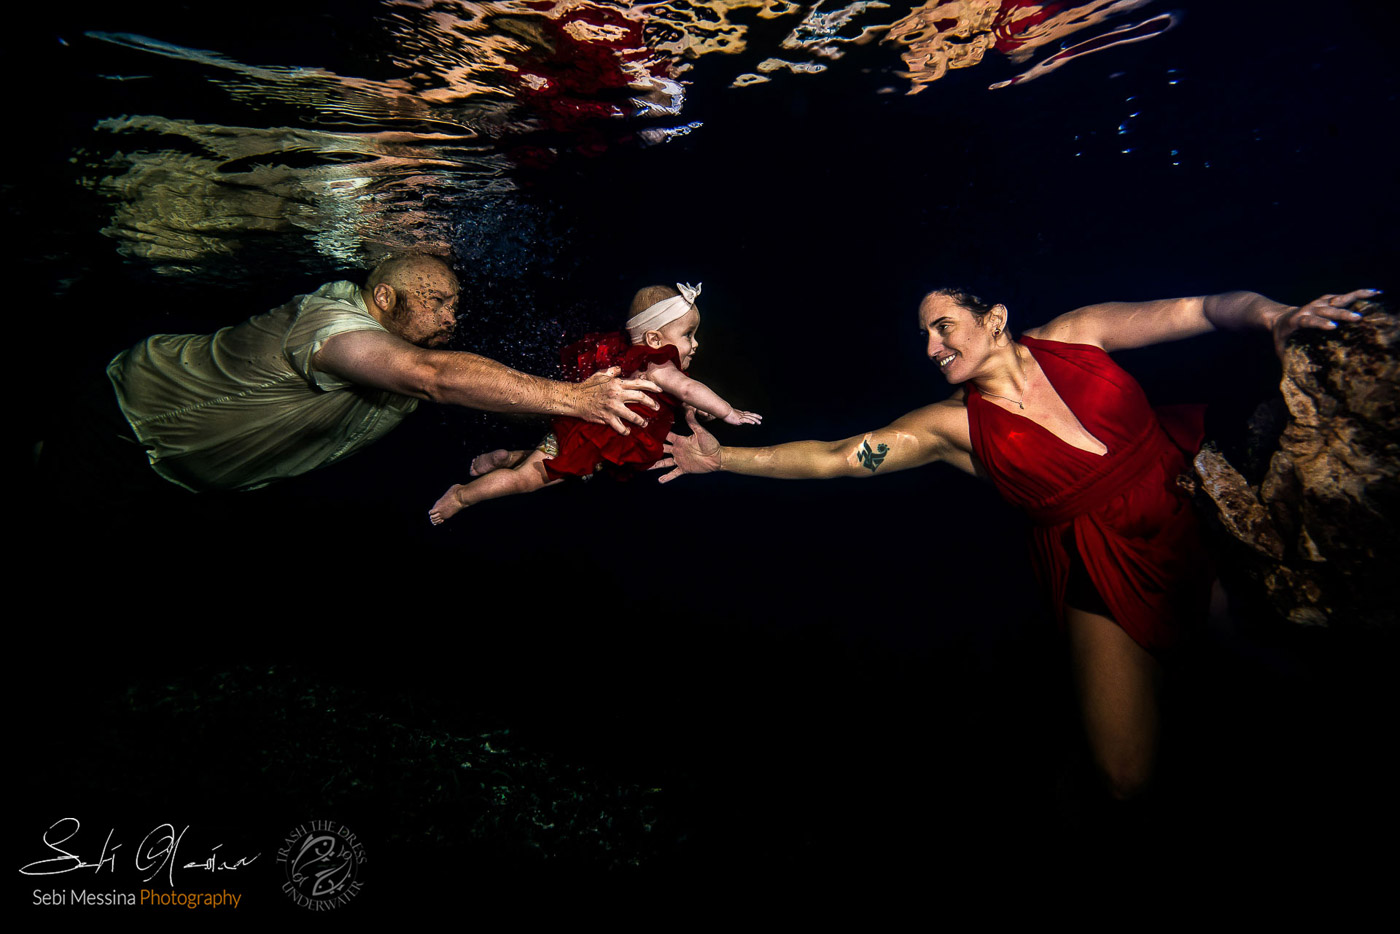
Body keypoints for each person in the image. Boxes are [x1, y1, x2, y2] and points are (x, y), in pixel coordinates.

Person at [655, 285, 1380, 800]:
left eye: (942, 326)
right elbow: (840, 454)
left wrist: (1276, 316)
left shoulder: (1078, 333)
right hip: (1099, 562)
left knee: (1285, 651)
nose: (933, 346)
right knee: (1125, 774)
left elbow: (1201, 309)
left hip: (1191, 502)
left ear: (994, 317)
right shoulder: (950, 425)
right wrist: (723, 459)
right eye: (924, 339)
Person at [58, 253, 660, 496]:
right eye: (439, 301)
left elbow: (490, 394)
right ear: (384, 296)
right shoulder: (331, 324)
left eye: (456, 305)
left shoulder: (401, 350)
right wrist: (572, 397)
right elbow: (433, 376)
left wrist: (595, 430)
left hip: (169, 477)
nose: (453, 317)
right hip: (116, 417)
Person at [429, 282, 760, 525]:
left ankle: (509, 457)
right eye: (689, 335)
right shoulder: (660, 365)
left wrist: (699, 409)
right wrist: (728, 411)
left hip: (592, 440)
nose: (695, 343)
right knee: (526, 481)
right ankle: (462, 495)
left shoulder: (639, 357)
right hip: (589, 438)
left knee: (572, 474)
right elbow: (688, 389)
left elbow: (682, 399)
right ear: (655, 340)